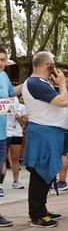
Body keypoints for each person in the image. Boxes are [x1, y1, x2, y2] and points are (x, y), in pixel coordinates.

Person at [22, 51, 68, 227]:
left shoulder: (39, 83)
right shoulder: (35, 83)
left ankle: (40, 209)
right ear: (49, 65)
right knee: (41, 172)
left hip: (49, 132)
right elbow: (62, 101)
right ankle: (37, 214)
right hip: (44, 132)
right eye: (54, 63)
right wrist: (62, 84)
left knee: (45, 173)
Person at [0, 47, 17, 200]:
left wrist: (29, 83)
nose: (1, 63)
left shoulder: (4, 76)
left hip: (3, 133)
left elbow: (11, 95)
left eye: (3, 60)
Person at [5, 94, 27, 192]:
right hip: (4, 133)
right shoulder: (3, 104)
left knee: (15, 158)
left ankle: (16, 181)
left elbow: (25, 122)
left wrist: (19, 117)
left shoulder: (22, 107)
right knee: (2, 159)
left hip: (16, 133)